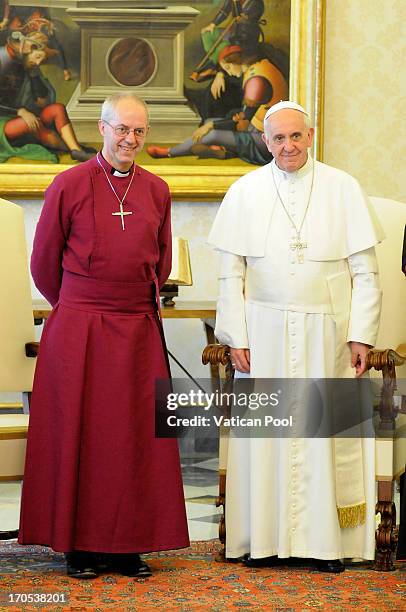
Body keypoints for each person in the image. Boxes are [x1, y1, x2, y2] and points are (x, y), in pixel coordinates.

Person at [19, 92, 189, 578]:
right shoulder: (68, 184)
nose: (130, 139)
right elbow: (43, 264)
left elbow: (162, 261)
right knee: (82, 434)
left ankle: (127, 546)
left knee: (135, 439)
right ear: (102, 127)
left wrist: (126, 304)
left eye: (139, 131)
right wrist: (79, 307)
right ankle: (79, 546)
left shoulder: (156, 189)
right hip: (80, 330)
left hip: (136, 328)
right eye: (122, 129)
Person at [208, 100, 384, 572]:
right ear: (265, 142)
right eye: (279, 138)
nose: (288, 146)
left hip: (327, 330)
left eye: (296, 136)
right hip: (262, 330)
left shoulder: (343, 188)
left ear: (311, 135)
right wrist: (235, 336)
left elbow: (366, 273)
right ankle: (262, 541)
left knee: (325, 433)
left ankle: (327, 545)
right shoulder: (245, 190)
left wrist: (361, 336)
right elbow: (230, 274)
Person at [148, 45, 287, 165]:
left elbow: (243, 120)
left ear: (231, 64)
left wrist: (210, 127)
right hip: (260, 129)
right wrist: (211, 124)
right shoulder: (259, 66)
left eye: (226, 68)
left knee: (212, 132)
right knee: (209, 122)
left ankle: (169, 152)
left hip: (266, 141)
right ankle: (224, 151)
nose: (228, 72)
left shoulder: (256, 81)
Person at [0, 29, 92, 162]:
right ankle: (72, 149)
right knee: (31, 124)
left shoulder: (29, 70)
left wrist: (34, 76)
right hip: (3, 121)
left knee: (57, 108)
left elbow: (42, 103)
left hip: (24, 116)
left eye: (41, 61)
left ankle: (76, 151)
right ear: (28, 50)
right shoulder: (6, 64)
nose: (37, 63)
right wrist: (20, 111)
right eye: (37, 57)